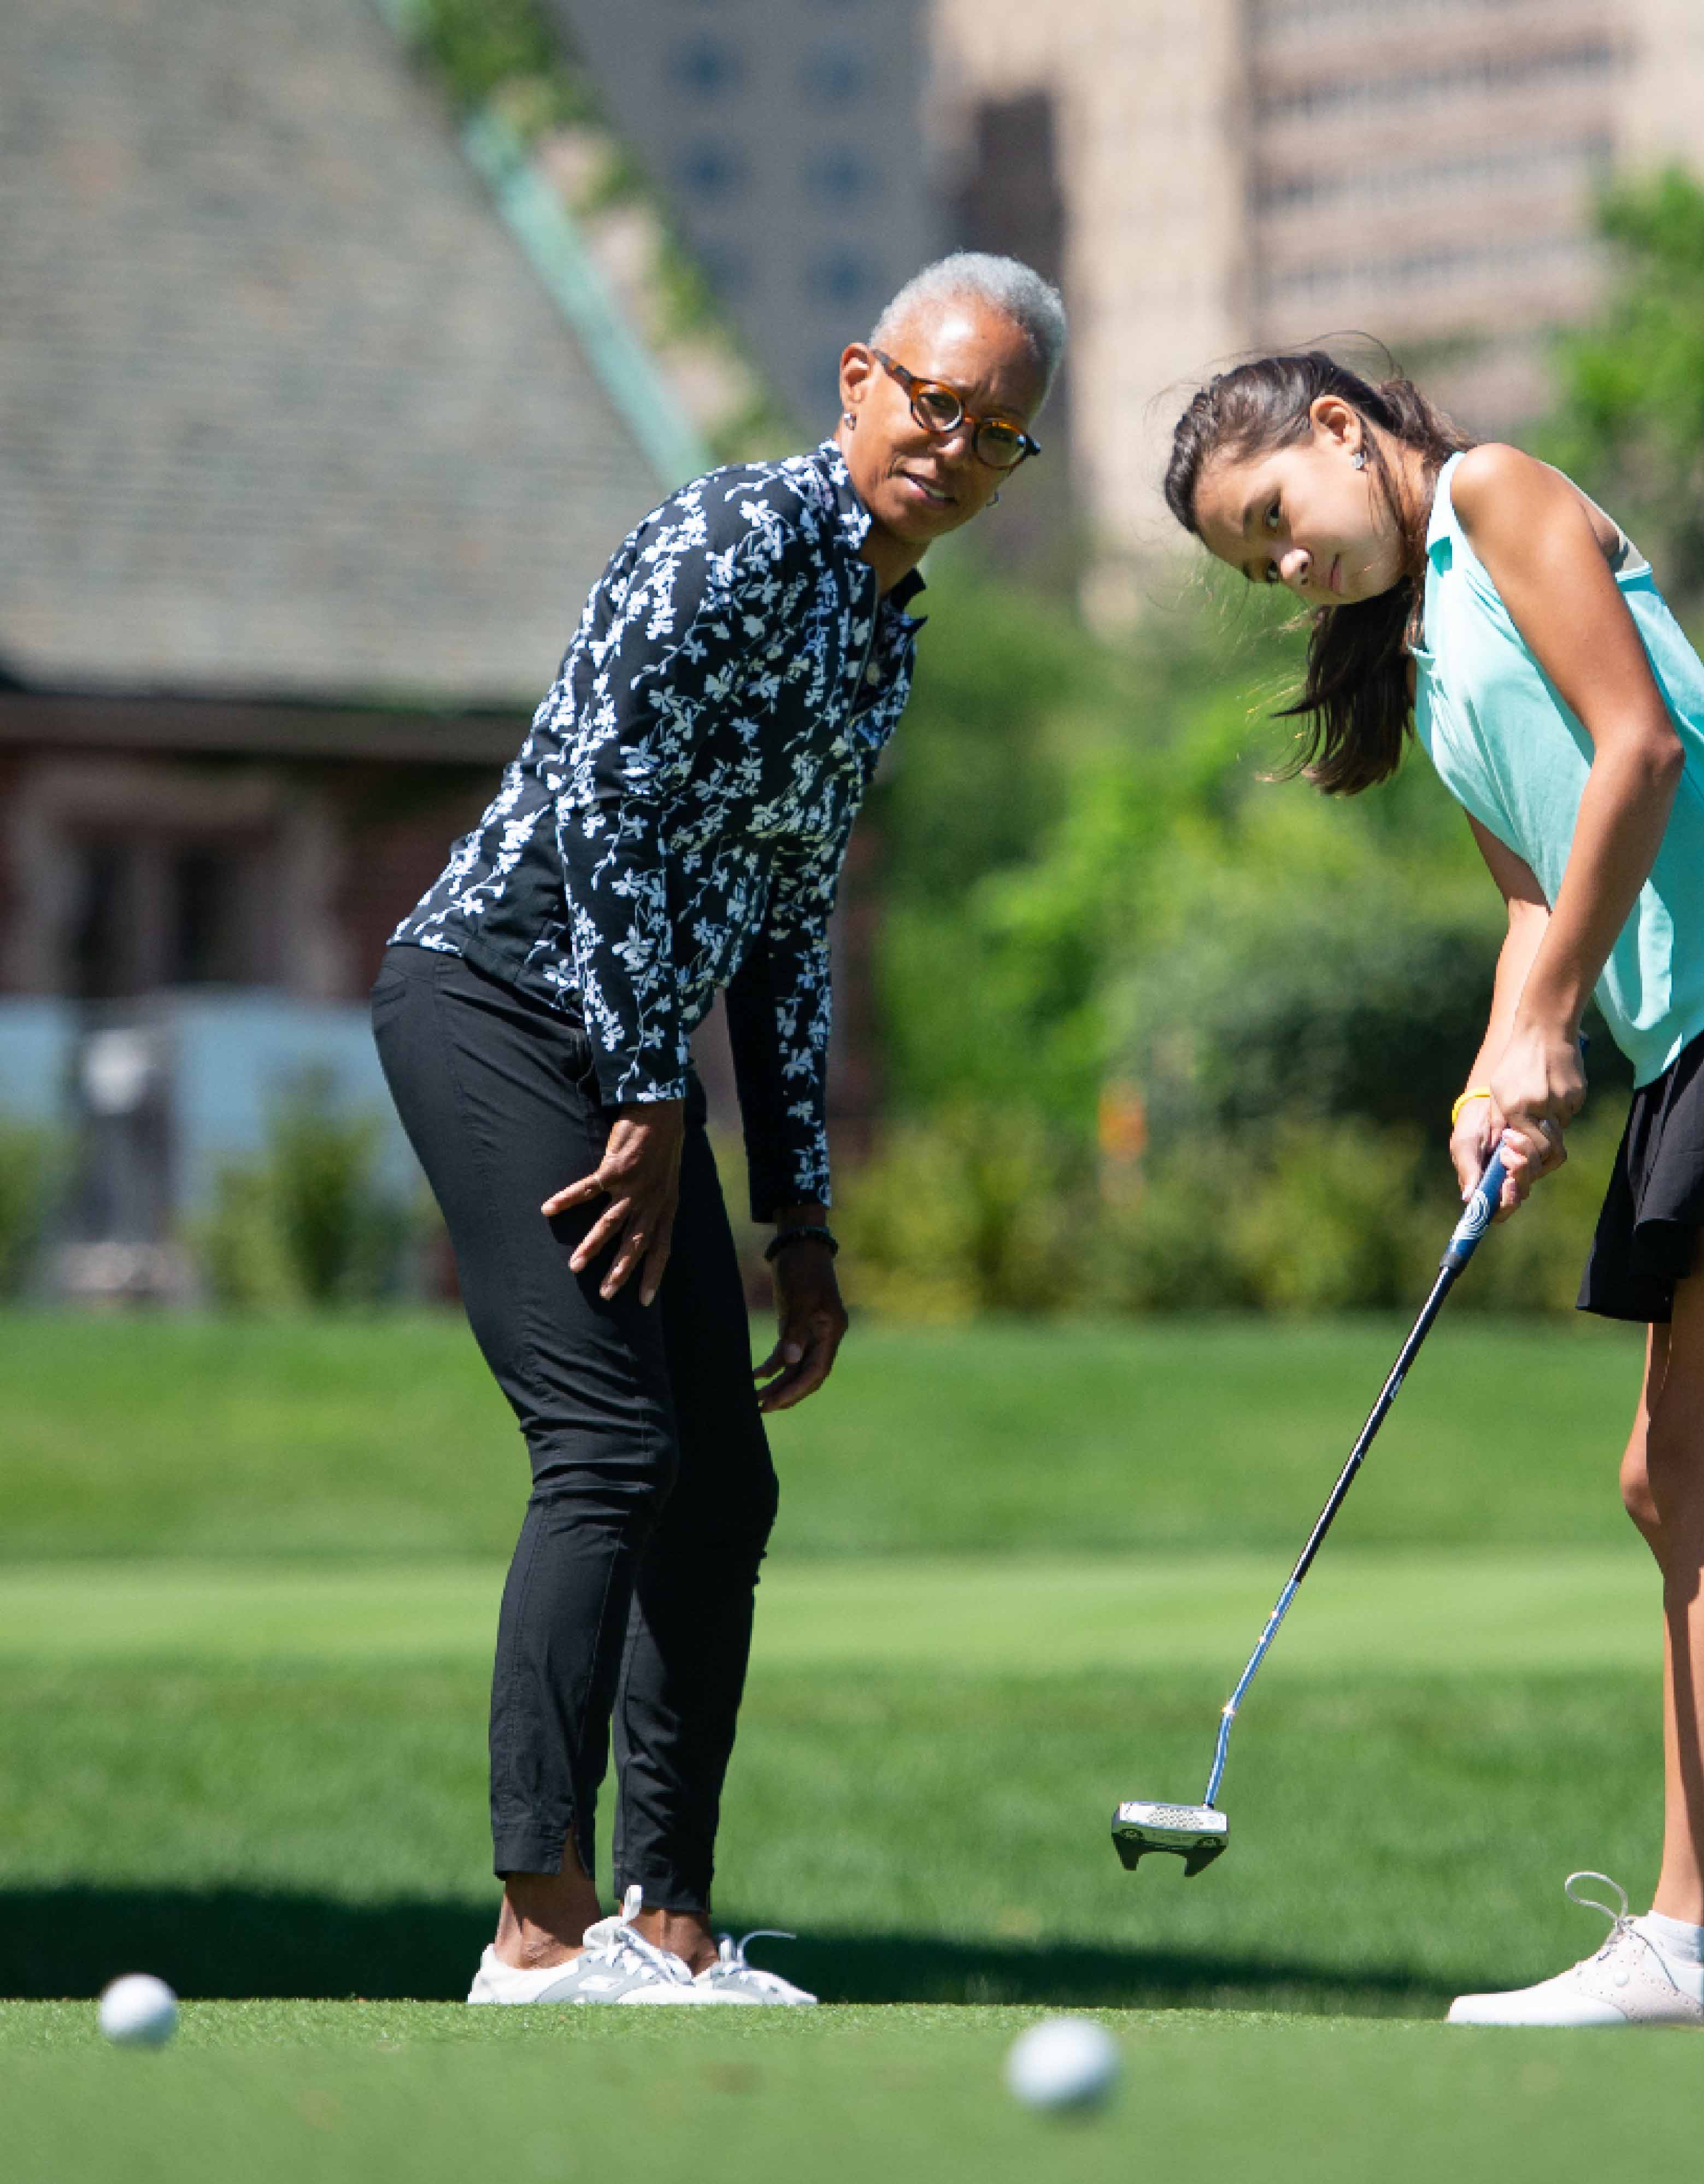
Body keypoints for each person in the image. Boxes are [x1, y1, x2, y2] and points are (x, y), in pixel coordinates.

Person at [1165, 352, 1704, 2030]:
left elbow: (1639, 751)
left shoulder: (1495, 493)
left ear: (1337, 433)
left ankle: (1694, 1930)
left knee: (1701, 1468)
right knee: (1672, 1480)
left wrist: (1545, 1027)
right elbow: (1534, 894)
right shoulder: (1430, 645)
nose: (1285, 565)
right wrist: (1494, 1069)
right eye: (1255, 567)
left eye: (1275, 521)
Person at [372, 253, 1065, 2005]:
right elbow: (604, 803)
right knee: (606, 1449)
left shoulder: (881, 635)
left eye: (998, 434)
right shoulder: (731, 539)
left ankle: (665, 1931)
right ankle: (536, 1932)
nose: (955, 444)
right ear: (856, 378)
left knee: (719, 1478)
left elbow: (779, 919)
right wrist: (646, 1088)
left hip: (625, 1065)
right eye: (933, 401)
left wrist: (802, 1223)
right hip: (498, 1008)